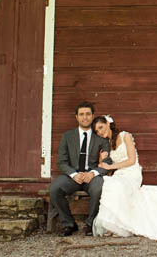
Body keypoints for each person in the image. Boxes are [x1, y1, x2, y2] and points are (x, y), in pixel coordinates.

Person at [49, 101, 111, 237]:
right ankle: (69, 224)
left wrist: (93, 173)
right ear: (76, 117)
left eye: (88, 114)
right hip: (72, 176)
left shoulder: (100, 137)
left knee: (99, 187)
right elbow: (61, 162)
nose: (85, 117)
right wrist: (73, 174)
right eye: (81, 114)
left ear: (93, 116)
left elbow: (107, 161)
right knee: (55, 189)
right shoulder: (67, 136)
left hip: (92, 176)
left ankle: (90, 224)